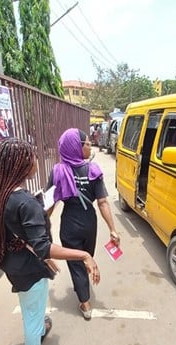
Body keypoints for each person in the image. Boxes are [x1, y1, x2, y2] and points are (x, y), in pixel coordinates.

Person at [0, 138, 100, 345]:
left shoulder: (1, 192)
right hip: (27, 267)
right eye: (33, 156)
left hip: (13, 262)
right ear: (23, 164)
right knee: (32, 312)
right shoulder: (25, 203)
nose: (36, 160)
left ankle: (39, 328)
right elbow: (44, 247)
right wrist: (84, 255)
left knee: (31, 305)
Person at [47, 128, 120, 320]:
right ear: (76, 147)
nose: (89, 146)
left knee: (77, 262)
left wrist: (43, 226)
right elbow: (103, 202)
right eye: (87, 143)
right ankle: (85, 300)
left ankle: (84, 299)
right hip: (89, 223)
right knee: (85, 257)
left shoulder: (58, 171)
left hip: (69, 223)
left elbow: (49, 203)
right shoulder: (93, 171)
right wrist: (112, 229)